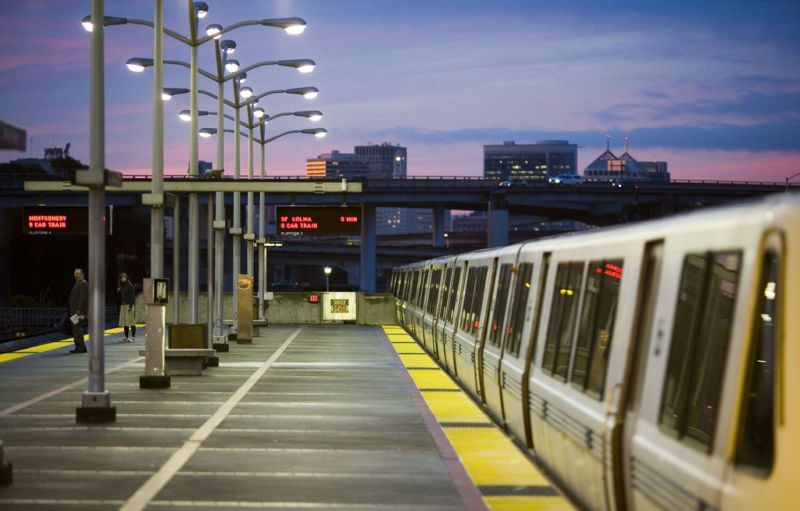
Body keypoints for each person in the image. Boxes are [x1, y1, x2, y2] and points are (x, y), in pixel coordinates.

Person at [68, 268, 88, 353]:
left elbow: (82, 298)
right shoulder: (78, 283)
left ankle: (81, 347)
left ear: (82, 274)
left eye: (78, 274)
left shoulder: (83, 283)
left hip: (78, 311)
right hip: (75, 310)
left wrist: (79, 309)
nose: (76, 275)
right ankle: (78, 346)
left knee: (77, 329)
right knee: (76, 329)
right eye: (75, 274)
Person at [118, 272, 136, 343]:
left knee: (131, 321)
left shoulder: (130, 285)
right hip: (123, 305)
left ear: (126, 277)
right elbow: (120, 298)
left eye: (124, 277)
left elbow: (132, 297)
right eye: (121, 277)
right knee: (125, 322)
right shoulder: (122, 286)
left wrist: (131, 306)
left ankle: (133, 337)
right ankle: (126, 337)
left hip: (129, 305)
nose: (122, 279)